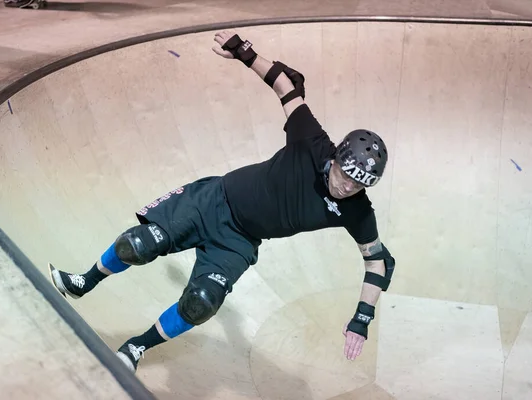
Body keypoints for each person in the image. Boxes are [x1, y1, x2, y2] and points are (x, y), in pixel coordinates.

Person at [49, 29, 396, 373]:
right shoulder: (311, 140)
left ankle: (137, 347)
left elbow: (378, 262)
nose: (347, 187)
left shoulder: (357, 210)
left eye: (358, 185)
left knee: (202, 303)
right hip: (211, 201)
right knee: (136, 245)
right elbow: (286, 86)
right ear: (336, 157)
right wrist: (245, 53)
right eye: (345, 175)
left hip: (239, 242)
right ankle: (85, 282)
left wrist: (362, 319)